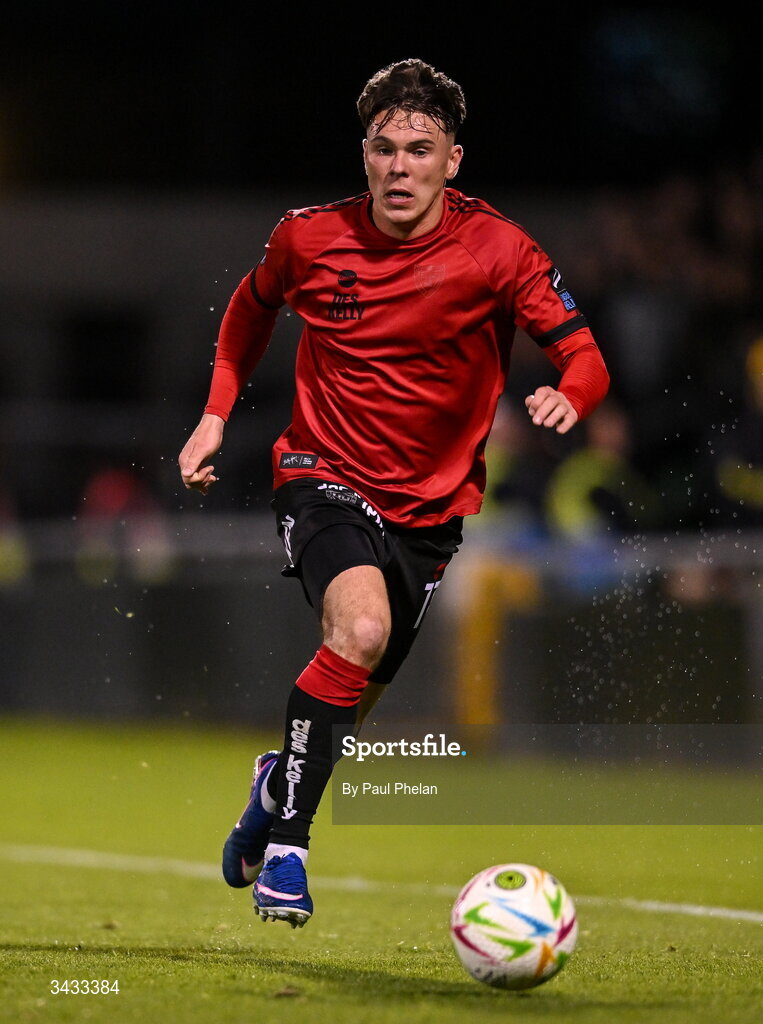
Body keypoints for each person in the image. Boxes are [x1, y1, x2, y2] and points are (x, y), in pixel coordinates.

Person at [178, 58, 610, 928]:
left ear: (452, 160)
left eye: (420, 149)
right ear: (365, 155)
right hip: (322, 473)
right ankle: (288, 855)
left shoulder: (499, 250)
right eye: (384, 148)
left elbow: (584, 354)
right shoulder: (307, 239)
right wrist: (216, 412)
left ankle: (275, 785)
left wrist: (571, 393)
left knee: (354, 690)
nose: (400, 166)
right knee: (361, 630)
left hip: (430, 512)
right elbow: (251, 310)